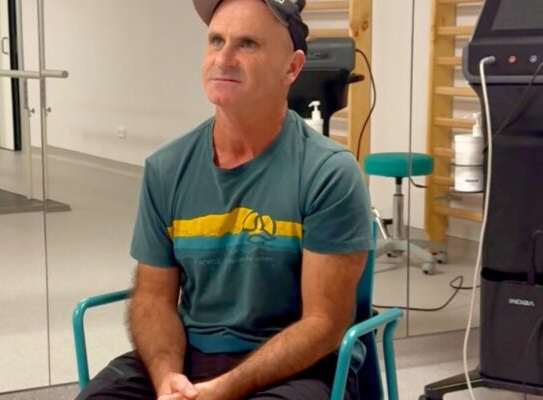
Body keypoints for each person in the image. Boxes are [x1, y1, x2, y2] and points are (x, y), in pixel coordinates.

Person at [77, 0, 373, 399]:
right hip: (189, 356)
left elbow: (324, 324)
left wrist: (224, 389)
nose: (223, 58)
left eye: (248, 44)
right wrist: (168, 378)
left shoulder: (328, 173)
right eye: (216, 40)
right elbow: (153, 298)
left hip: (298, 367)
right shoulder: (167, 168)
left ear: (292, 68)